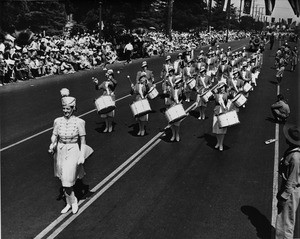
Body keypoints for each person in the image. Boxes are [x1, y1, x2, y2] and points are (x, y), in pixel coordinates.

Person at [48, 90, 93, 214]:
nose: (65, 111)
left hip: (73, 150)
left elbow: (83, 141)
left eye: (68, 109)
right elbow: (54, 135)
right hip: (60, 151)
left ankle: (74, 201)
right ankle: (68, 203)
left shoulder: (79, 122)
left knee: (68, 179)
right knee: (63, 179)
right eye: (64, 108)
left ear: (73, 108)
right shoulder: (58, 121)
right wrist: (53, 144)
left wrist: (82, 155)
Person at [275, 124, 300, 239]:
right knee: (283, 218)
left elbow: (292, 181)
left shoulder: (295, 157)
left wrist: (283, 197)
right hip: (289, 188)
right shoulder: (293, 151)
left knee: (287, 221)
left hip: (290, 191)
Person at [212, 82, 231, 151]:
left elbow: (230, 101)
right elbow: (210, 97)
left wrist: (227, 108)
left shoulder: (227, 94)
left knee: (222, 130)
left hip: (223, 112)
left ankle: (221, 144)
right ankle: (218, 142)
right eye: (220, 87)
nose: (222, 89)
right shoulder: (216, 95)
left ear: (225, 87)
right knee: (216, 129)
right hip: (216, 112)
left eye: (223, 87)